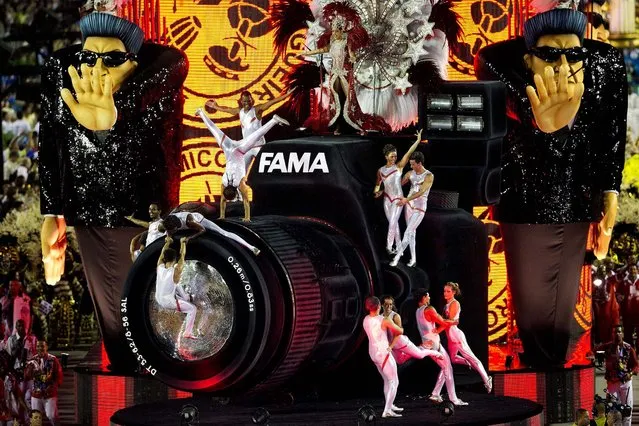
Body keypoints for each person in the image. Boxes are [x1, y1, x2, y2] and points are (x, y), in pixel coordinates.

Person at [475, 1, 626, 367]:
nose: (563, 64)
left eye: (572, 55)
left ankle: (550, 384)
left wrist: (611, 194)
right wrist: (534, 116)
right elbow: (504, 90)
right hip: (526, 203)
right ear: (530, 60)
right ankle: (543, 381)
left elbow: (612, 135)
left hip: (576, 201)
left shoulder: (604, 63)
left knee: (555, 314)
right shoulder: (502, 58)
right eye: (550, 55)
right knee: (532, 309)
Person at [39, 7, 187, 372]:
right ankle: (132, 380)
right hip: (87, 210)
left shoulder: (163, 65)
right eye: (89, 57)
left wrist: (114, 114)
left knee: (150, 308)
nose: (97, 67)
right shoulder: (62, 70)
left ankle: (150, 377)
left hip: (140, 212)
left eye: (113, 60)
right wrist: (51, 211)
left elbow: (151, 86)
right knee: (119, 320)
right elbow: (51, 142)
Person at [298, 4, 390, 134]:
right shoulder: (332, 39)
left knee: (348, 100)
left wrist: (353, 58)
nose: (333, 33)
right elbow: (324, 49)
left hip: (345, 73)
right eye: (333, 30)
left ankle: (357, 126)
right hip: (334, 73)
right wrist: (307, 53)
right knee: (336, 100)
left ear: (341, 30)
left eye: (336, 31)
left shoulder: (348, 40)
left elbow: (352, 53)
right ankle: (338, 126)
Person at [195, 107, 289, 221]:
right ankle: (200, 112)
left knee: (257, 135)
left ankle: (273, 120)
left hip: (239, 150)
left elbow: (246, 202)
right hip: (228, 148)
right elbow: (222, 202)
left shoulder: (240, 185)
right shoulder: (224, 184)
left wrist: (247, 218)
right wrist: (222, 215)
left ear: (236, 192)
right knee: (214, 130)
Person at [206, 90, 290, 172]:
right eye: (245, 101)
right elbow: (226, 109)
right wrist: (215, 106)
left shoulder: (257, 110)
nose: (247, 103)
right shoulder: (239, 111)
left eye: (249, 101)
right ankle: (239, 186)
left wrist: (286, 95)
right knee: (241, 173)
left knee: (268, 169)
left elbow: (272, 102)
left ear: (252, 100)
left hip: (259, 146)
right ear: (241, 101)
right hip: (247, 148)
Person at [374, 131, 424, 255]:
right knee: (394, 224)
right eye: (392, 156)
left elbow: (408, 153)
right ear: (386, 156)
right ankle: (399, 249)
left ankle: (389, 247)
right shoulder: (380, 171)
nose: (394, 158)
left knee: (392, 222)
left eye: (395, 156)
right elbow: (377, 184)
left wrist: (417, 141)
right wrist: (377, 192)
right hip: (387, 199)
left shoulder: (399, 167)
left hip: (398, 199)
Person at [414, 289, 467, 406]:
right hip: (433, 342)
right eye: (428, 296)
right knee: (448, 369)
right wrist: (454, 321)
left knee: (446, 366)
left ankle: (436, 393)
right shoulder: (429, 309)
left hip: (428, 341)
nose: (429, 298)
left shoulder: (418, 311)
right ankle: (454, 399)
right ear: (423, 297)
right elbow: (443, 322)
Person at [442, 282, 492, 393]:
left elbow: (451, 321)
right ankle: (466, 362)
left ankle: (487, 379)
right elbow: (447, 322)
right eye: (444, 291)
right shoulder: (446, 305)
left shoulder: (455, 303)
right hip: (450, 335)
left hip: (456, 335)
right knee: (453, 359)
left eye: (448, 291)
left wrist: (438, 321)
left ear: (454, 292)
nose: (445, 293)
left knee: (473, 358)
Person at [390, 152, 433, 267]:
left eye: (413, 164)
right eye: (410, 164)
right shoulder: (410, 174)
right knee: (411, 234)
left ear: (419, 163)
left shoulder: (429, 176)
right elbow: (398, 185)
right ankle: (413, 259)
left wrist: (406, 199)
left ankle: (396, 258)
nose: (411, 166)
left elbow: (422, 192)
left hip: (419, 207)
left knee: (408, 232)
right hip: (409, 205)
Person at [362, 296, 403, 418]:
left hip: (373, 353)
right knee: (394, 381)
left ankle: (389, 405)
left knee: (387, 380)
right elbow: (400, 331)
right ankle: (387, 410)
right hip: (383, 352)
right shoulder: (384, 320)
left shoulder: (365, 319)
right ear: (379, 306)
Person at [158, 210, 260, 255]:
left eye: (172, 230)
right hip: (179, 221)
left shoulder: (189, 222)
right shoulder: (168, 221)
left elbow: (203, 230)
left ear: (176, 227)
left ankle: (252, 247)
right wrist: (167, 236)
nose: (170, 232)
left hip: (200, 220)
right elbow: (167, 231)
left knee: (223, 232)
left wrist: (190, 238)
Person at [156, 237, 198, 339]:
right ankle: (187, 332)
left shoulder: (160, 267)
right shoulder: (176, 271)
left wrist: (168, 242)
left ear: (164, 259)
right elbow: (182, 255)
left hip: (159, 298)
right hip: (168, 302)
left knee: (177, 285)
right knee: (193, 309)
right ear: (175, 259)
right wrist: (183, 242)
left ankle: (186, 298)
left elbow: (162, 254)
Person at [381, 295, 443, 365]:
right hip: (392, 344)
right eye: (386, 305)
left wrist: (391, 346)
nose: (389, 307)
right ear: (382, 305)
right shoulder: (380, 317)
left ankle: (435, 353)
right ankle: (421, 347)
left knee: (420, 355)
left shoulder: (395, 316)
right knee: (400, 361)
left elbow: (398, 333)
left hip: (400, 341)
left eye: (390, 304)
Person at [596, 325, 638, 426]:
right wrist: (594, 355)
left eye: (619, 332)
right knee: (613, 411)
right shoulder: (606, 347)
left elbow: (636, 365)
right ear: (612, 334)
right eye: (615, 332)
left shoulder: (628, 348)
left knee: (627, 410)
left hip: (625, 383)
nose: (617, 334)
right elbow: (595, 351)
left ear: (623, 334)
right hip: (612, 383)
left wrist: (631, 373)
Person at [26, 341, 62, 426]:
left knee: (52, 416)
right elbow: (27, 376)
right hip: (36, 394)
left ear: (46, 347)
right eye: (38, 346)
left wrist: (54, 386)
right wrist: (28, 371)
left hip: (49, 394)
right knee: (36, 418)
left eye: (42, 346)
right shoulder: (32, 360)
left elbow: (59, 375)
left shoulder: (53, 359)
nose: (40, 348)